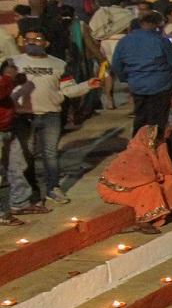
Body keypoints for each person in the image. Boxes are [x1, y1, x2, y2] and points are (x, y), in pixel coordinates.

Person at [13, 31, 101, 204]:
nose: (33, 43)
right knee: (25, 157)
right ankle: (33, 193)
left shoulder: (59, 64)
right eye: (29, 40)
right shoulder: (13, 62)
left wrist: (87, 85)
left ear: (46, 43)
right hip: (23, 117)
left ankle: (53, 188)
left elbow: (68, 90)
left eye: (38, 39)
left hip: (50, 115)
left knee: (50, 154)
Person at [96, 125, 172, 234]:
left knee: (169, 180)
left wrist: (161, 175)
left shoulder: (153, 151)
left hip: (136, 185)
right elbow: (144, 178)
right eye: (154, 140)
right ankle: (144, 221)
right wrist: (158, 177)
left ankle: (169, 210)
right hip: (114, 190)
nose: (157, 143)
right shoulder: (136, 153)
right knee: (151, 187)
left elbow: (162, 171)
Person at [111, 12, 172, 138]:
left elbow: (116, 64)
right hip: (161, 85)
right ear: (157, 25)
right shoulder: (161, 41)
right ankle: (156, 148)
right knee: (158, 120)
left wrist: (126, 79)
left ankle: (138, 147)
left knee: (140, 118)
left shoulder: (124, 41)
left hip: (137, 85)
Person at [1, 61, 39, 224]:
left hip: (9, 126)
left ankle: (20, 203)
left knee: (17, 165)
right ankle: (2, 213)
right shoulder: (5, 81)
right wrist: (9, 77)